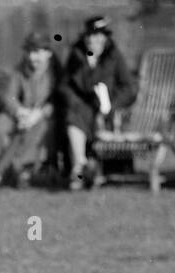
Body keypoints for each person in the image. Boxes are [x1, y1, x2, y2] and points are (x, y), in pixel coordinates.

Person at [59, 15, 137, 190]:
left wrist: (111, 105)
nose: (93, 40)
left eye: (97, 35)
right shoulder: (77, 55)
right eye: (90, 35)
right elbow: (65, 87)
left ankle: (81, 169)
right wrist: (89, 64)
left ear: (104, 38)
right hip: (82, 107)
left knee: (84, 117)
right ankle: (80, 166)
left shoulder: (114, 55)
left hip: (108, 111)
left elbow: (129, 88)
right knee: (74, 115)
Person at [0, 32, 60, 191]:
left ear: (48, 53)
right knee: (1, 124)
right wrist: (20, 112)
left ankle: (23, 171)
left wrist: (38, 114)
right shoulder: (19, 71)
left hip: (44, 117)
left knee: (39, 129)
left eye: (37, 52)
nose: (32, 57)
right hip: (21, 115)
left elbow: (57, 100)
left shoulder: (56, 74)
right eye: (30, 52)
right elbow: (10, 96)